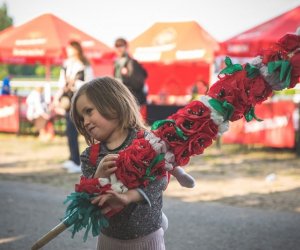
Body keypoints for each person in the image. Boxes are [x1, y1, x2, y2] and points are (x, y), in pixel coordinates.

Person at [70, 77, 195, 249]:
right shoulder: (89, 157)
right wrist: (98, 177)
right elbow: (87, 200)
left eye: (89, 111)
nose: (85, 122)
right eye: (81, 118)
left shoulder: (147, 142)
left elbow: (158, 180)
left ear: (113, 104)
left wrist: (128, 197)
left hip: (148, 238)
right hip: (108, 240)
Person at [53, 40, 94, 173]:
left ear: (77, 49)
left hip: (80, 101)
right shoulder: (66, 65)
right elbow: (60, 84)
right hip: (68, 101)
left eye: (71, 49)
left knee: (83, 130)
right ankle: (73, 159)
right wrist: (56, 98)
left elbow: (90, 83)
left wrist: (75, 83)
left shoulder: (84, 65)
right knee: (70, 131)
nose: (69, 51)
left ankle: (79, 161)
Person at [113, 37, 148, 107]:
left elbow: (138, 84)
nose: (119, 48)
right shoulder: (116, 63)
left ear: (126, 47)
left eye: (121, 46)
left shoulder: (132, 63)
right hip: (122, 98)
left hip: (133, 101)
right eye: (117, 46)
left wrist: (125, 77)